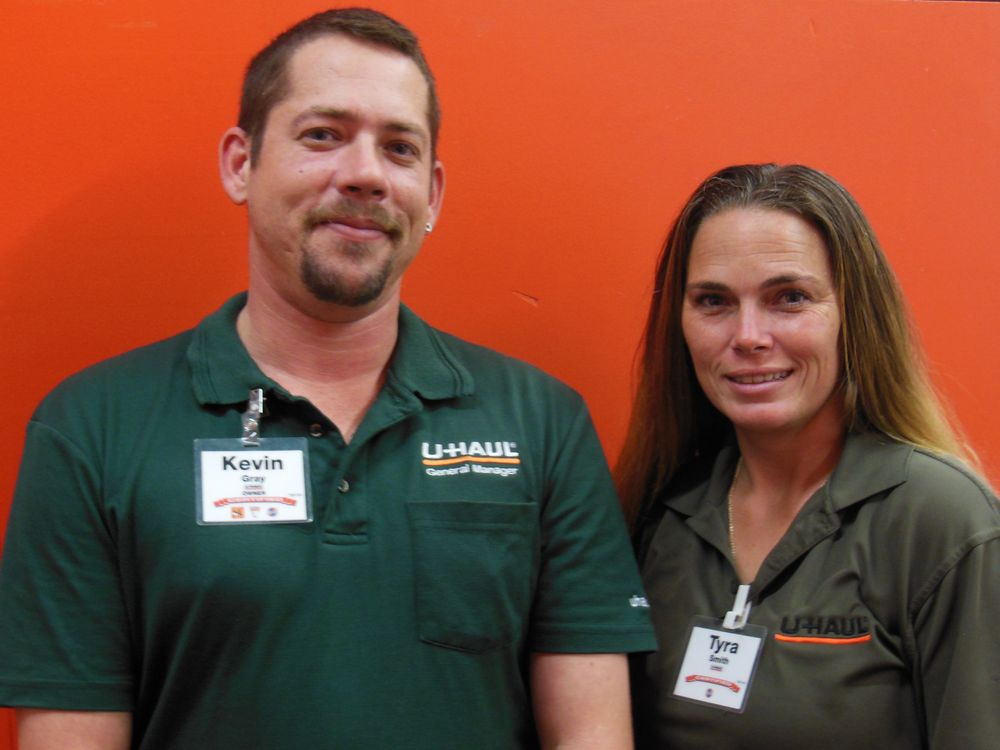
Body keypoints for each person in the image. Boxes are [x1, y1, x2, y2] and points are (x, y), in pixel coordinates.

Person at [0, 9, 655, 749]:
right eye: (323, 135)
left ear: (433, 193)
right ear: (240, 164)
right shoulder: (92, 429)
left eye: (399, 148)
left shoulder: (542, 423)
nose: (366, 174)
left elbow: (592, 736)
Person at [618, 163, 1000, 748]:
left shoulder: (942, 520)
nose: (748, 335)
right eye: (714, 301)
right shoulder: (658, 515)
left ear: (855, 315)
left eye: (790, 298)